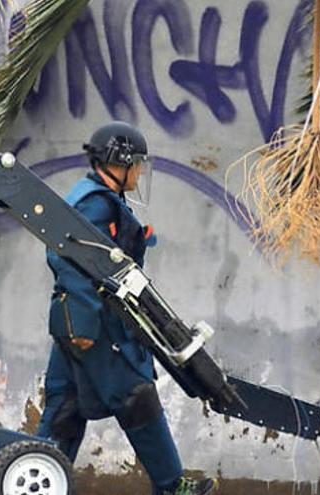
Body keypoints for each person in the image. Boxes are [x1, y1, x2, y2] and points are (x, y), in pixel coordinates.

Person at [36, 122, 217, 495]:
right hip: (96, 324)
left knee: (65, 407)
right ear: (117, 163)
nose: (139, 171)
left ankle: (33, 478)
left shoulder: (95, 196)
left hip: (78, 321)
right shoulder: (94, 202)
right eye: (135, 163)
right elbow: (68, 258)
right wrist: (84, 328)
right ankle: (172, 487)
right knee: (136, 394)